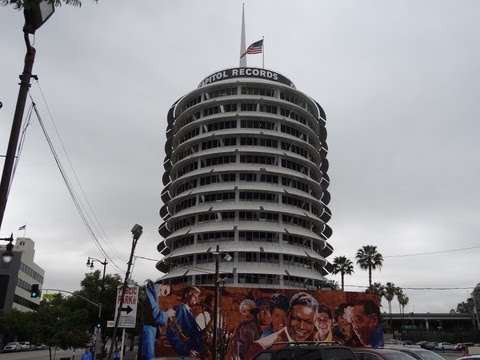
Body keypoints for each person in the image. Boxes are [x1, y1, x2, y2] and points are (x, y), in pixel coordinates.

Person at [246, 292, 319, 359]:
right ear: (289, 316)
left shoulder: (316, 343)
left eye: (308, 322)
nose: (301, 327)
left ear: (315, 322)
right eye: (296, 319)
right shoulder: (260, 346)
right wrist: (271, 354)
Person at [166, 286, 204, 359]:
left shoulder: (188, 311)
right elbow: (171, 334)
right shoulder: (180, 309)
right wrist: (186, 351)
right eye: (195, 296)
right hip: (187, 355)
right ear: (187, 295)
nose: (197, 299)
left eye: (198, 297)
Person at [141, 280, 175, 359]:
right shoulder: (150, 294)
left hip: (149, 333)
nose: (162, 294)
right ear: (163, 284)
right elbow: (154, 317)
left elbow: (154, 315)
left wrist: (165, 317)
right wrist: (166, 314)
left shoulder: (152, 294)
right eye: (165, 291)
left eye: (164, 294)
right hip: (148, 332)